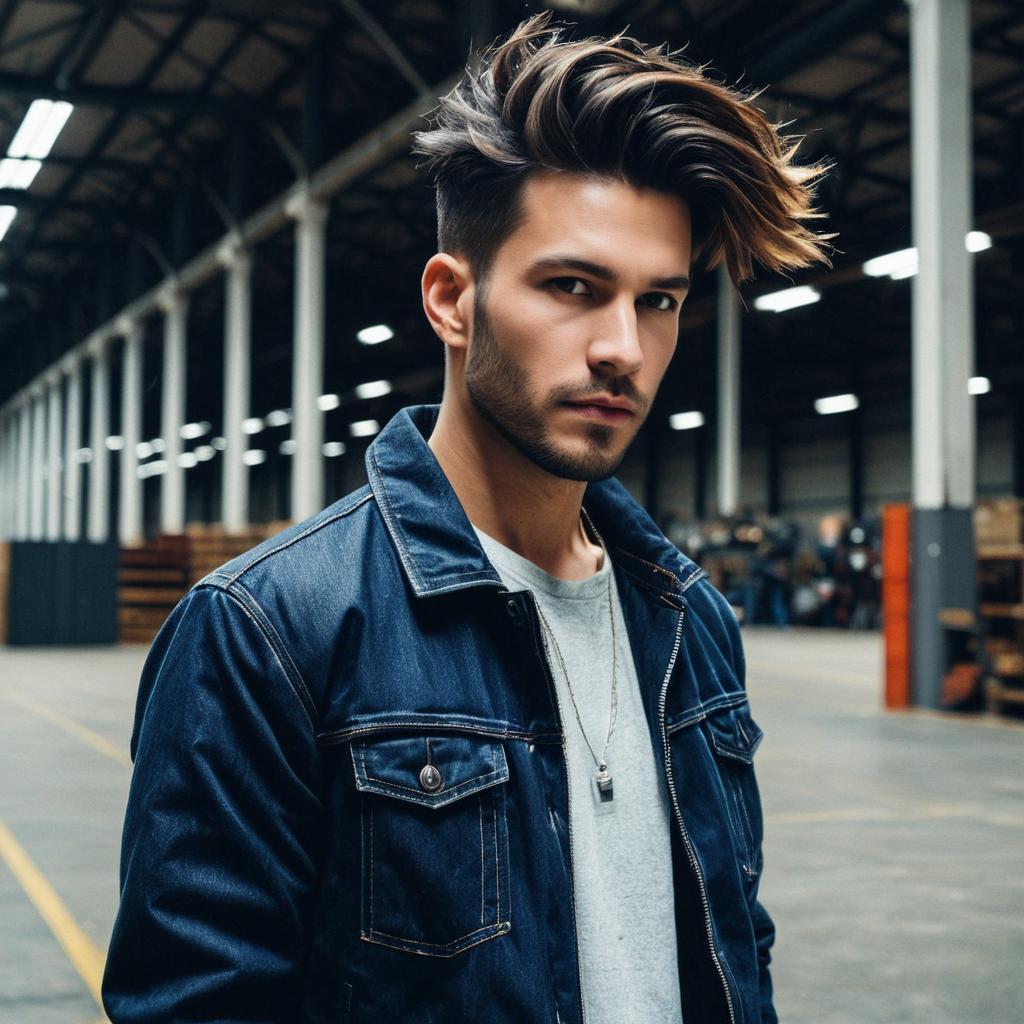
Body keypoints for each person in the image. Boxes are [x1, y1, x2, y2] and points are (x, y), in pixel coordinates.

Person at [102, 13, 829, 1023]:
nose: (622, 346)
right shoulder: (267, 634)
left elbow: (736, 945)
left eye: (657, 302)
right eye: (573, 287)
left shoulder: (690, 624)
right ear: (453, 298)